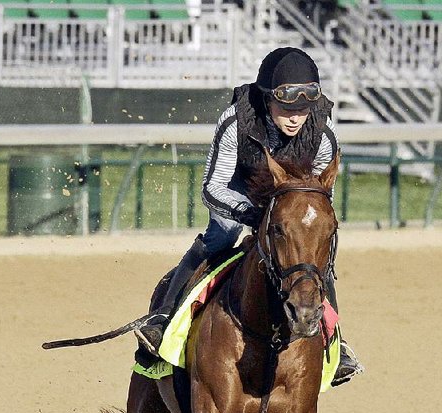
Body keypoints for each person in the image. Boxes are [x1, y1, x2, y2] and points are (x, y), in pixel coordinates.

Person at [135, 46, 363, 386]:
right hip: (239, 194)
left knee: (313, 252)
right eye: (286, 108)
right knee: (223, 234)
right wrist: (255, 215)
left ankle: (336, 341)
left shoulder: (324, 132)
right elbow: (212, 187)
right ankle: (163, 319)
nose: (295, 117)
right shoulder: (235, 121)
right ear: (266, 98)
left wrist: (296, 222)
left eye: (303, 109)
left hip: (290, 201)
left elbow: (317, 196)